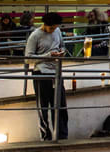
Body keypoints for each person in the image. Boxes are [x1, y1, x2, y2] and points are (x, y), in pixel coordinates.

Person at [25, 12, 68, 141]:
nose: (53, 30)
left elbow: (62, 46)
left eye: (55, 27)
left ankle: (61, 135)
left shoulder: (57, 31)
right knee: (43, 107)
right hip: (41, 73)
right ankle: (46, 136)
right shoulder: (35, 36)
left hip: (56, 72)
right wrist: (48, 56)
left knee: (60, 106)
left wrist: (62, 52)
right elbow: (28, 58)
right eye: (51, 28)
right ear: (45, 24)